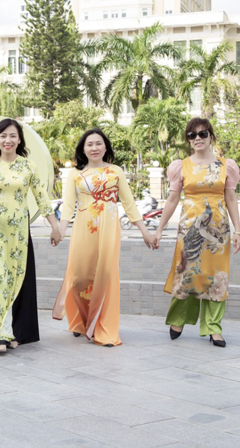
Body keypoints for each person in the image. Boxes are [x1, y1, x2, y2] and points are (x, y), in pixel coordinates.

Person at [0, 118, 62, 354]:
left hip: (18, 233)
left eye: (13, 136)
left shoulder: (28, 166)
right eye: (3, 135)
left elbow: (42, 198)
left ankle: (11, 332)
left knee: (16, 279)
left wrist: (55, 227)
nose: (8, 140)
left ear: (19, 140)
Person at [52, 128, 155, 347]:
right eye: (89, 144)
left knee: (106, 276)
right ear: (83, 149)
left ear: (105, 147)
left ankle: (105, 330)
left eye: (98, 143)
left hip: (108, 229)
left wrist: (144, 230)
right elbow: (69, 204)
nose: (94, 148)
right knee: (79, 277)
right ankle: (81, 321)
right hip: (83, 229)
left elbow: (128, 202)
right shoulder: (75, 174)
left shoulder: (115, 171)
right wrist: (61, 229)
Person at [154, 118, 240, 348]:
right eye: (192, 135)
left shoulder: (226, 165)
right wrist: (160, 228)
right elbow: (172, 199)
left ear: (211, 136)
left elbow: (231, 198)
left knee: (217, 278)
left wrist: (238, 230)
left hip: (219, 230)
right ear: (188, 140)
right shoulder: (180, 166)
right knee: (186, 273)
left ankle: (214, 328)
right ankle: (178, 319)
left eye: (203, 134)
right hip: (189, 229)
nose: (198, 139)